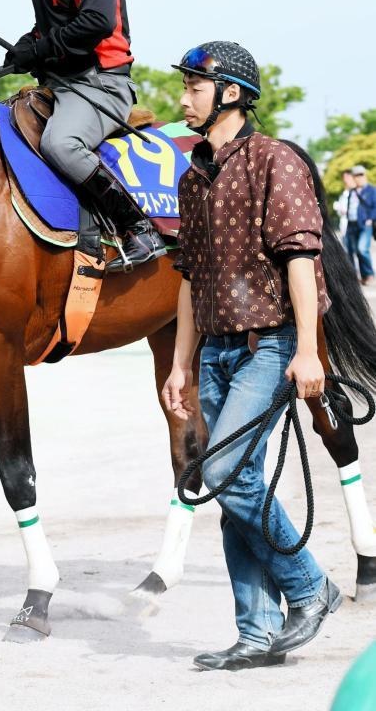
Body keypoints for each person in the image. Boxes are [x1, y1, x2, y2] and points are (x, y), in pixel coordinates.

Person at [161, 41, 340, 671]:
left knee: (223, 473)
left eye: (194, 88)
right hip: (214, 352)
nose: (183, 98)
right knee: (241, 482)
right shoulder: (192, 174)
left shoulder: (274, 162)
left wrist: (310, 351)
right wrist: (181, 364)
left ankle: (309, 586)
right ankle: (258, 632)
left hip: (271, 346)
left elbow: (300, 259)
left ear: (230, 93)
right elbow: (187, 278)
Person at [3, 0, 166, 272]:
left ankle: (138, 228)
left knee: (61, 142)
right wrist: (26, 46)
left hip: (100, 84)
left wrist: (41, 46)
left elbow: (95, 21)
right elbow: (51, 26)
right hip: (61, 84)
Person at [345, 165, 376, 286]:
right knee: (353, 251)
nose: (359, 178)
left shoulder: (371, 190)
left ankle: (369, 274)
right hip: (351, 224)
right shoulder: (352, 191)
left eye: (361, 175)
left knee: (362, 249)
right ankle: (362, 277)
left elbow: (375, 207)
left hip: (365, 225)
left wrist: (370, 219)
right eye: (356, 175)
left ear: (364, 175)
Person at [334, 169, 355, 238]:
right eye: (344, 178)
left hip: (355, 224)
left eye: (347, 177)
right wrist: (339, 209)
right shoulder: (344, 193)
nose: (345, 180)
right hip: (344, 224)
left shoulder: (357, 191)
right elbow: (340, 211)